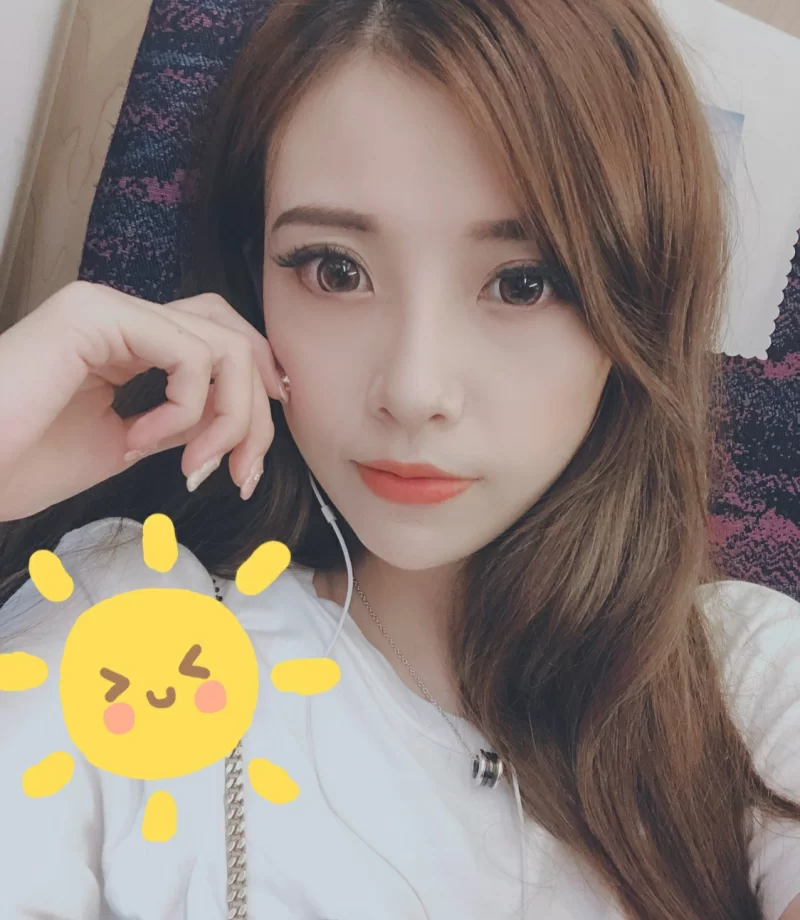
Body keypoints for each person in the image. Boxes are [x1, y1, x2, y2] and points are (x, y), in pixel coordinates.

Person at [1, 0, 799, 917]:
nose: (414, 390)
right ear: (252, 282)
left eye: (523, 282)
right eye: (334, 270)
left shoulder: (748, 676)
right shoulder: (128, 627)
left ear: (638, 308)